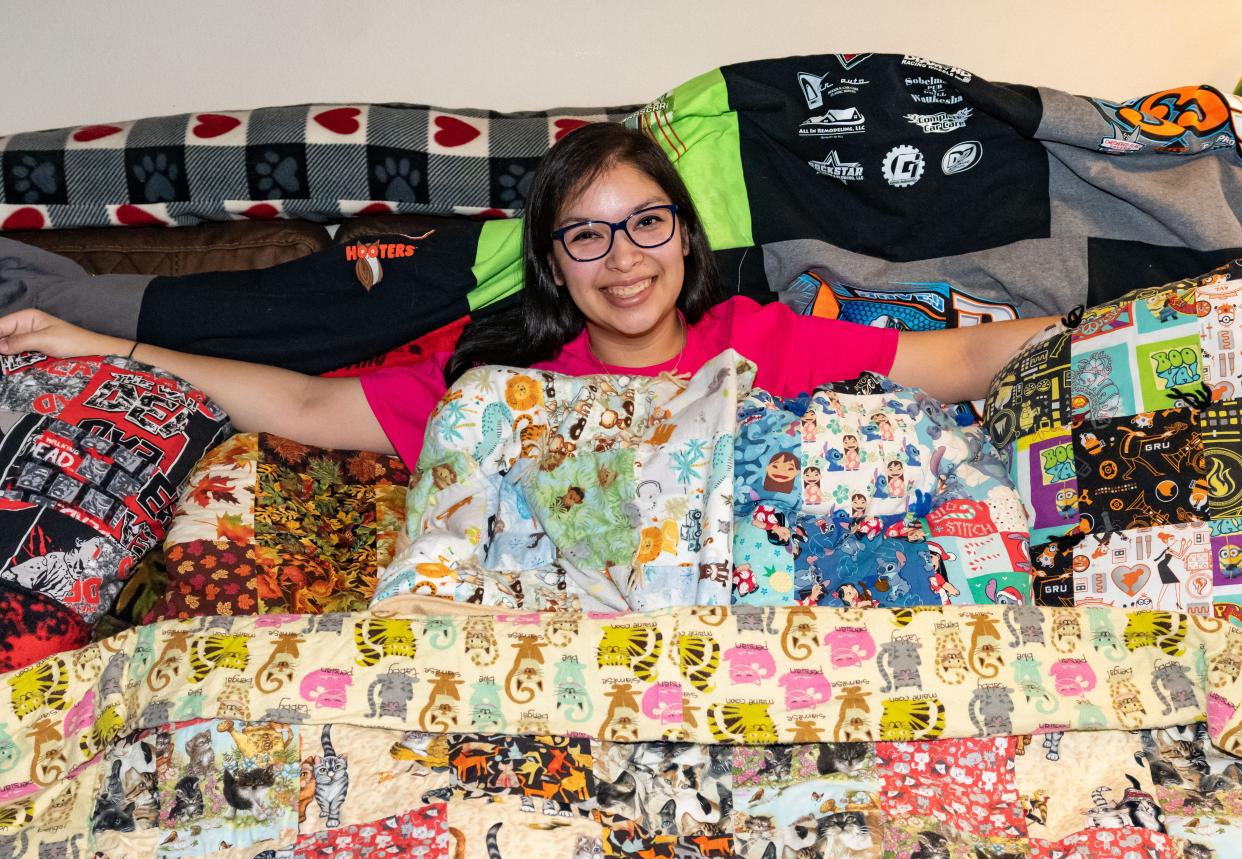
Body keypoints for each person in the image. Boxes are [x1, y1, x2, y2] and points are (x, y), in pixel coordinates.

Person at [0, 123, 1056, 471]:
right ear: (555, 262)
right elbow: (309, 407)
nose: (625, 258)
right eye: (585, 234)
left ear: (684, 239)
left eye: (647, 223)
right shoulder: (506, 388)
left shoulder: (758, 341)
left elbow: (956, 361)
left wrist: (1134, 324)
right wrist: (99, 346)